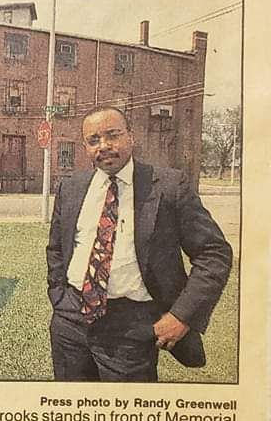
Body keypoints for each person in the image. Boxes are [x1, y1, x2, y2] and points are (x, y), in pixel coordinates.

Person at [46, 106, 232, 381]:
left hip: (131, 326)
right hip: (70, 322)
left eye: (113, 135)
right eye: (94, 140)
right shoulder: (71, 187)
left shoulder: (169, 186)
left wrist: (182, 316)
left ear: (131, 137)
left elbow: (214, 253)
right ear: (85, 146)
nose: (104, 146)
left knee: (128, 417)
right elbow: (57, 249)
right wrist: (59, 297)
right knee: (73, 413)